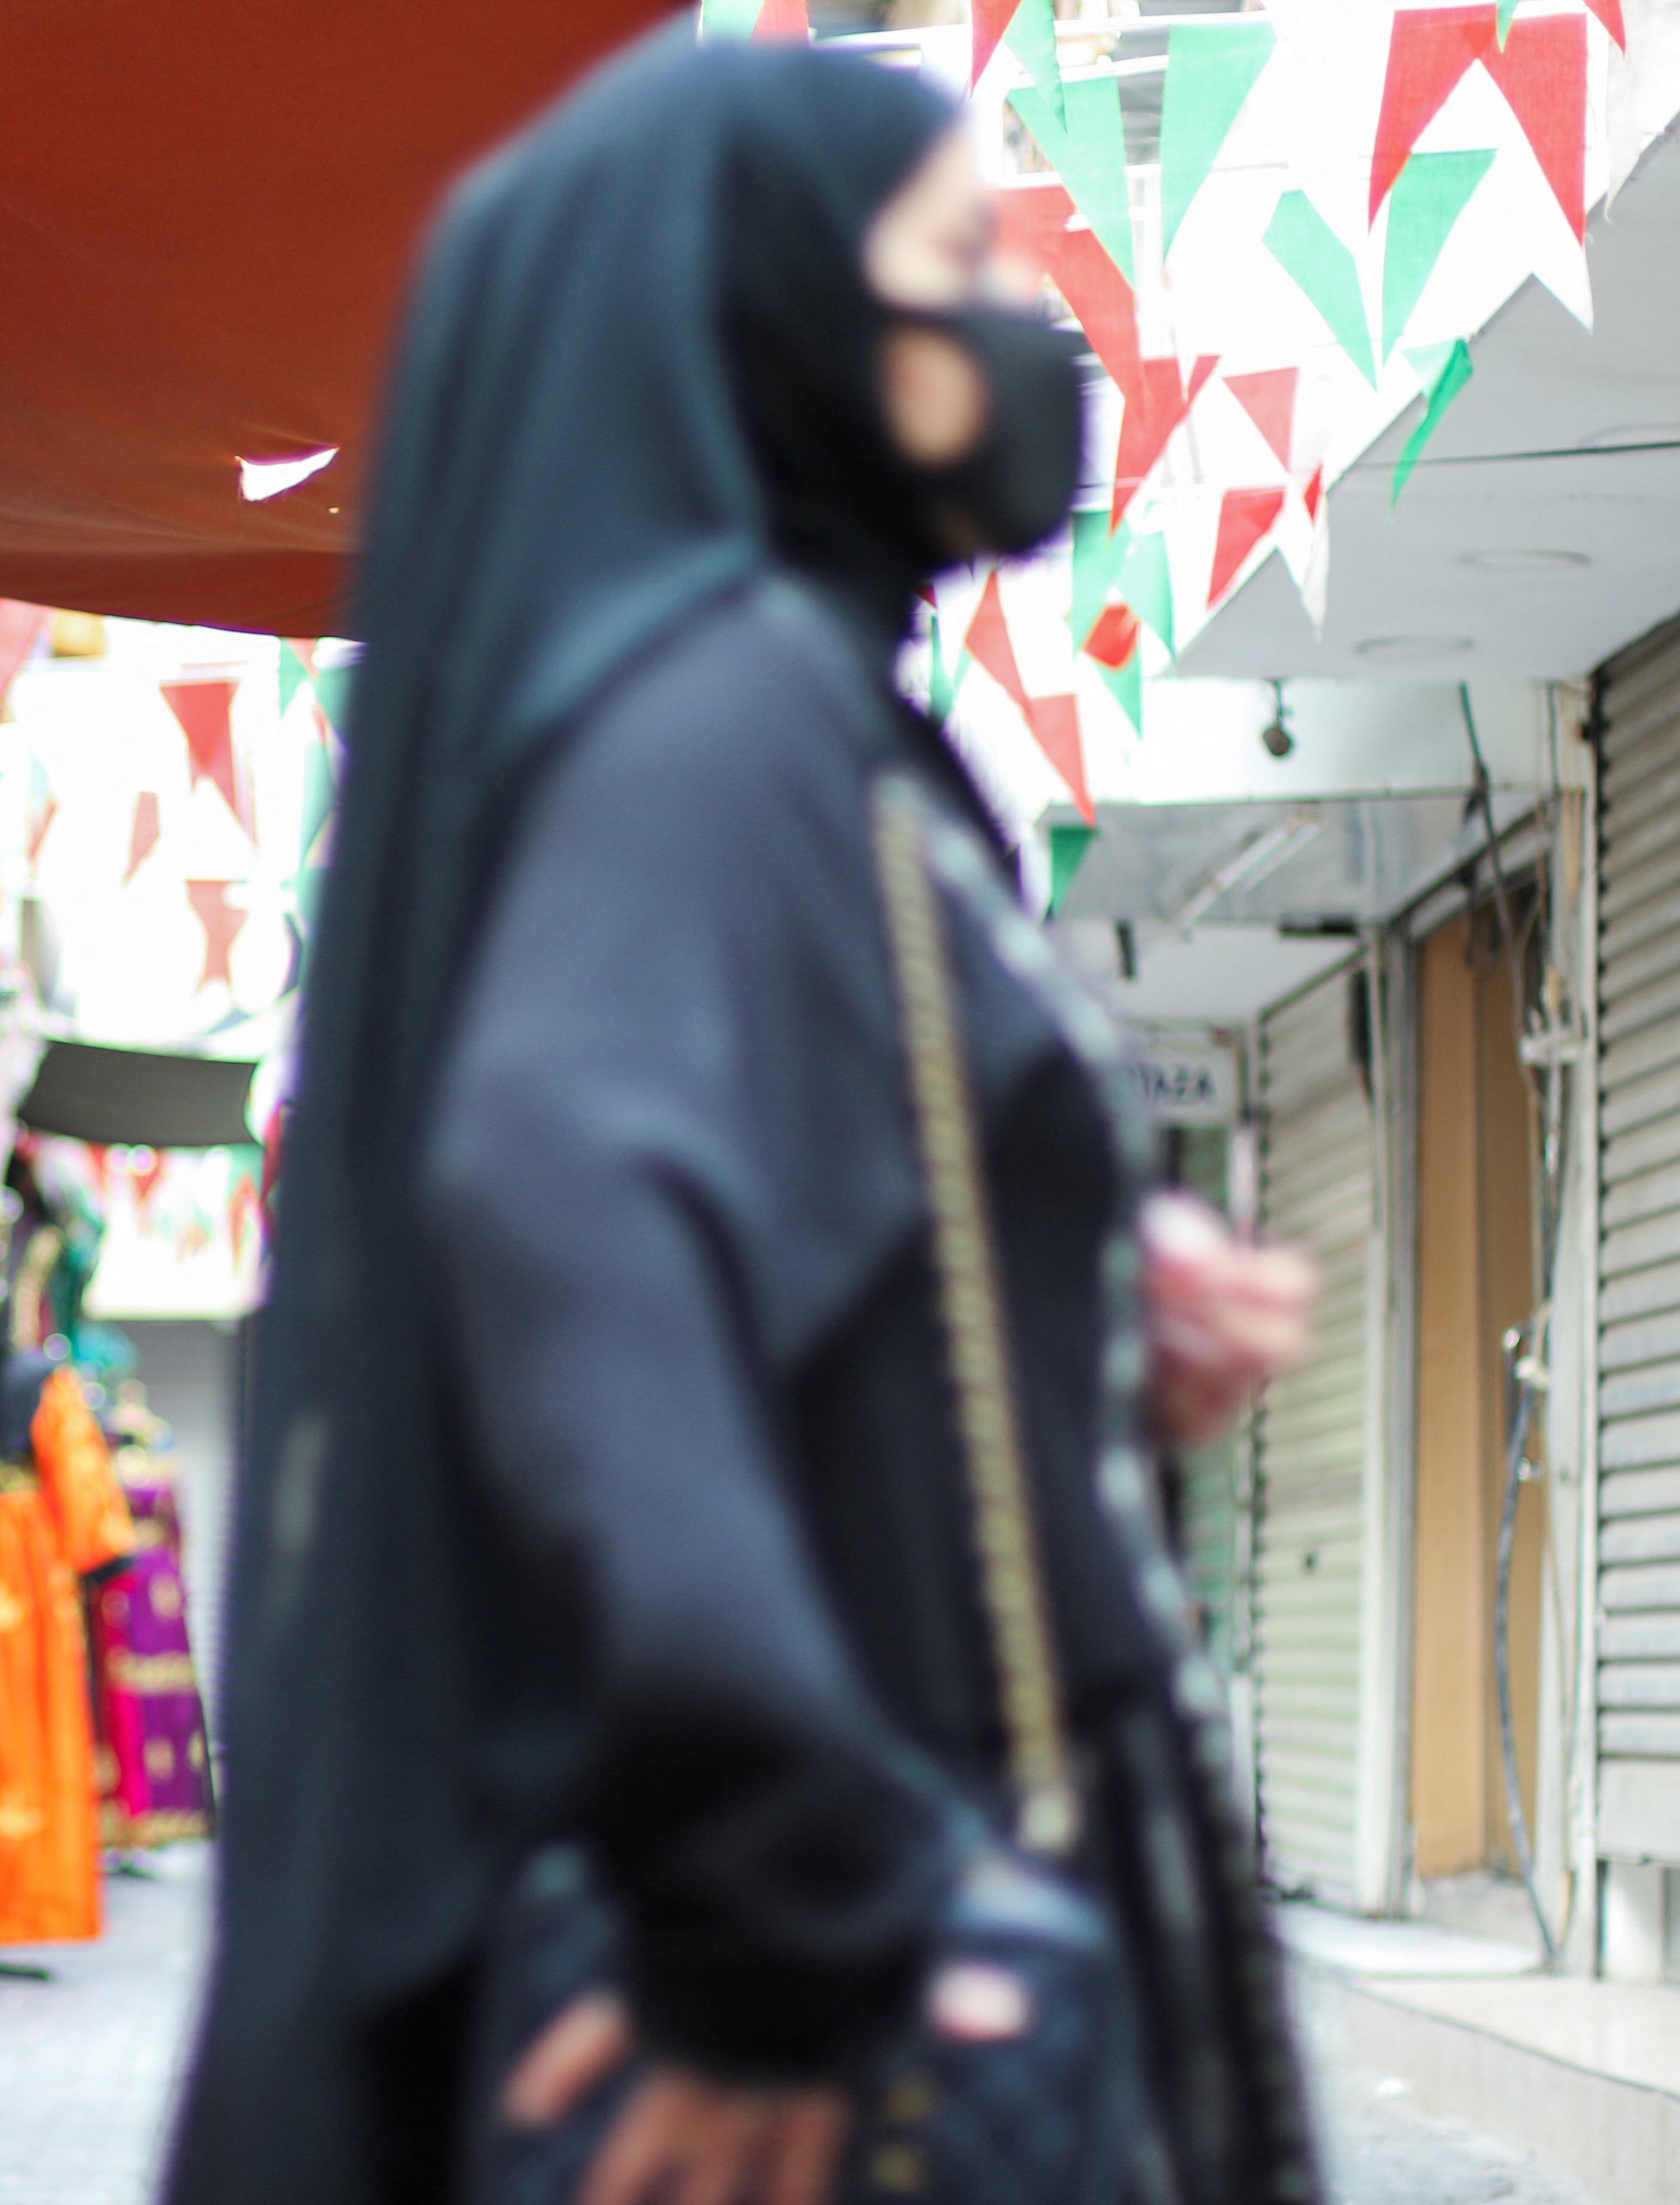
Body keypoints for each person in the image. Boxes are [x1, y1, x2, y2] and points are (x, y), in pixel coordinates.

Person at [165, 32, 1321, 2205]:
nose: (1021, 326)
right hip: (864, 2017)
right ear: (770, 310)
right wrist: (785, 1898)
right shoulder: (724, 728)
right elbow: (564, 1199)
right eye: (957, 258)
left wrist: (1071, 1274)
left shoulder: (779, 709)